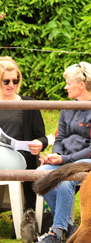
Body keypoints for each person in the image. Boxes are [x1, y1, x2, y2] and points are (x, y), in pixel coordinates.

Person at [35, 62, 91, 243]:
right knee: (39, 174)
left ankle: (57, 233)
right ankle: (69, 226)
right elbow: (60, 138)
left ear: (81, 85)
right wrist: (56, 155)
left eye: (68, 83)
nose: (65, 87)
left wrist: (64, 161)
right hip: (67, 160)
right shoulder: (67, 107)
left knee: (66, 180)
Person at [0, 57, 48, 227]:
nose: (11, 84)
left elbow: (41, 137)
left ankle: (27, 210)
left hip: (22, 160)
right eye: (6, 80)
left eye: (15, 80)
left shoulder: (27, 104)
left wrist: (39, 144)